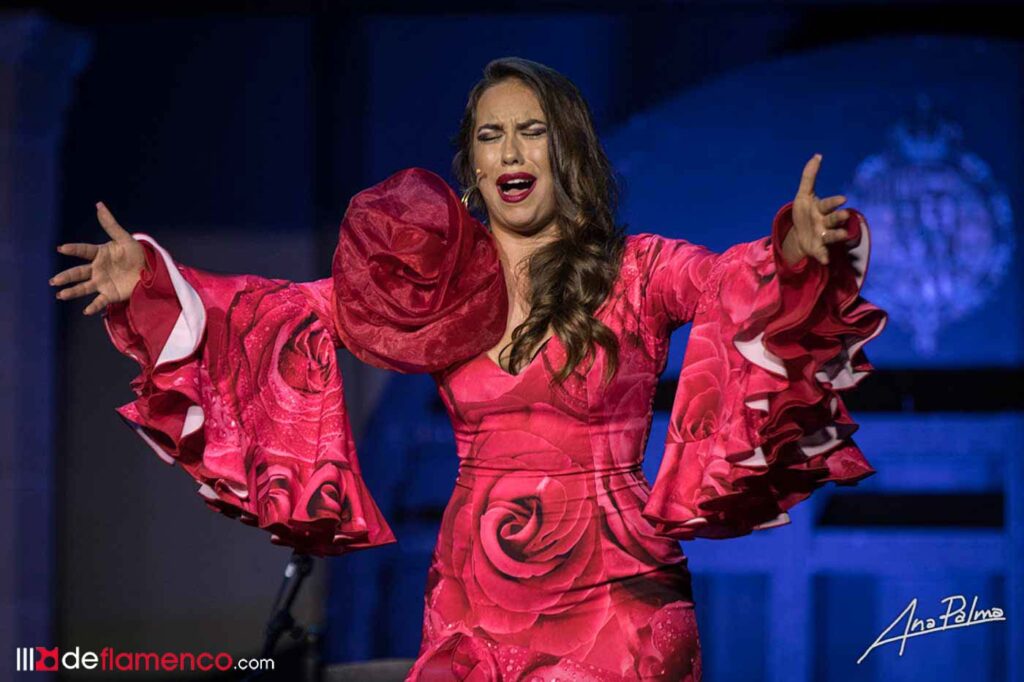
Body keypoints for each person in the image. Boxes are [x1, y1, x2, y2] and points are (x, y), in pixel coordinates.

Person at [52, 57, 888, 681]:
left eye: (532, 130)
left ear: (569, 154)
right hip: (473, 594)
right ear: (474, 164)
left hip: (616, 592)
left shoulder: (636, 269)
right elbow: (293, 309)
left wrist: (795, 251)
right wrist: (157, 283)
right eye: (492, 134)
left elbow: (726, 283)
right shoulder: (439, 282)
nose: (511, 149)